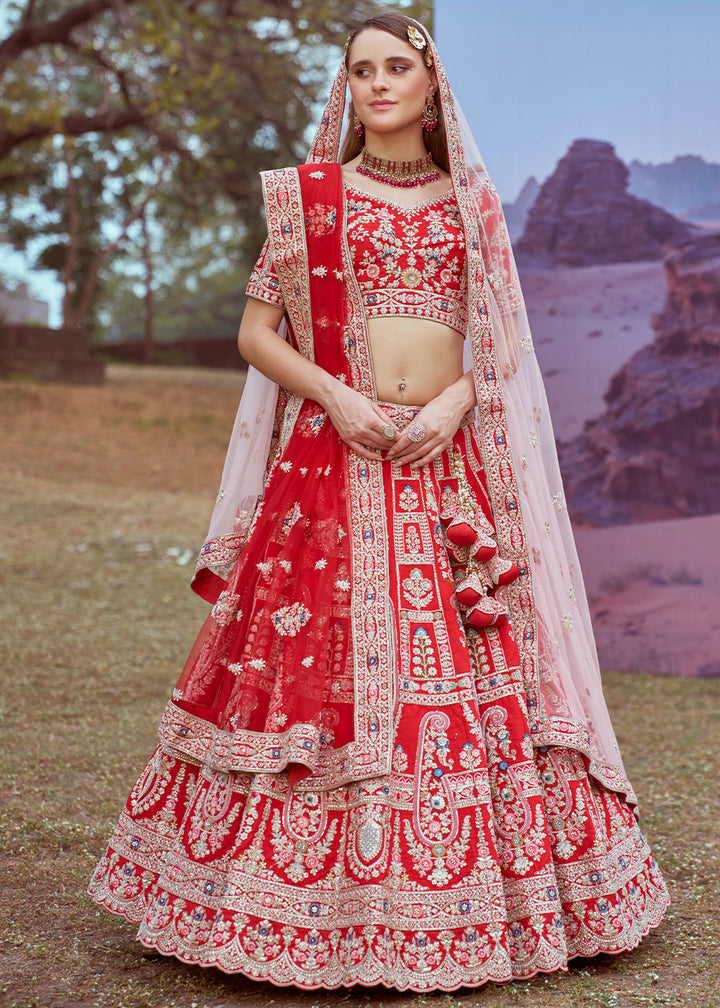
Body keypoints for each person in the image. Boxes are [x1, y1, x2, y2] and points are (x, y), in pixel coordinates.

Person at [89, 13, 669, 992]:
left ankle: (477, 905)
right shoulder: (311, 198)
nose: (379, 83)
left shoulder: (470, 204)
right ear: (345, 88)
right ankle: (294, 906)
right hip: (333, 458)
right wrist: (336, 395)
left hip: (446, 469)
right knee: (314, 679)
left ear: (433, 83)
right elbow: (256, 333)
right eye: (362, 70)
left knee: (471, 672)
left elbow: (499, 344)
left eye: (398, 66)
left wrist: (451, 401)